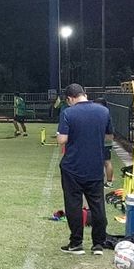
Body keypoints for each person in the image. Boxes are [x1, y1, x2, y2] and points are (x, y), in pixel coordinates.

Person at [57, 84, 112, 255]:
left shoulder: (68, 112)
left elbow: (62, 140)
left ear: (69, 98)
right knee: (97, 204)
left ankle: (76, 243)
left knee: (74, 204)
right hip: (95, 166)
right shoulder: (103, 111)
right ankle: (99, 243)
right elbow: (109, 136)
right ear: (85, 94)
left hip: (73, 167)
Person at [94, 97, 114, 188]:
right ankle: (104, 180)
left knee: (106, 162)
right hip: (106, 140)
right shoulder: (106, 113)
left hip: (104, 140)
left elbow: (109, 130)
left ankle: (109, 181)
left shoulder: (101, 114)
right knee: (105, 161)